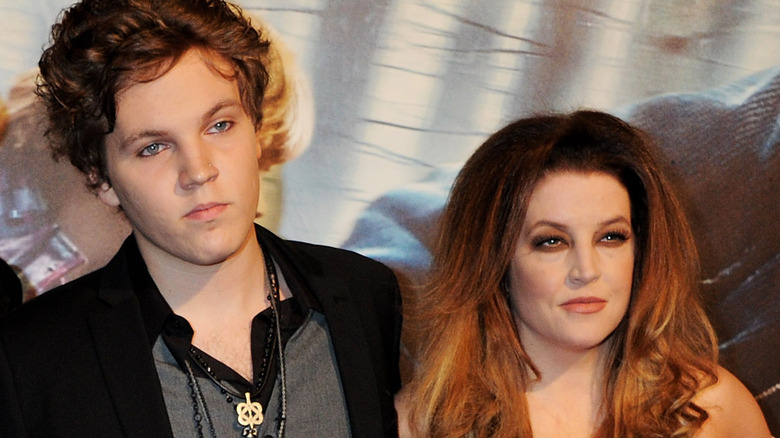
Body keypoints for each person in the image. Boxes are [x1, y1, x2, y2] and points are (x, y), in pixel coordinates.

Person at [0, 0, 401, 437]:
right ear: (102, 180)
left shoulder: (367, 297)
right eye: (153, 147)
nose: (198, 171)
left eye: (220, 126)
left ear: (256, 128)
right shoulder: (32, 361)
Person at [396, 110, 770, 437]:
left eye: (611, 237)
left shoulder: (712, 409)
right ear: (494, 261)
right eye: (552, 242)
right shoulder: (424, 423)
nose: (586, 271)